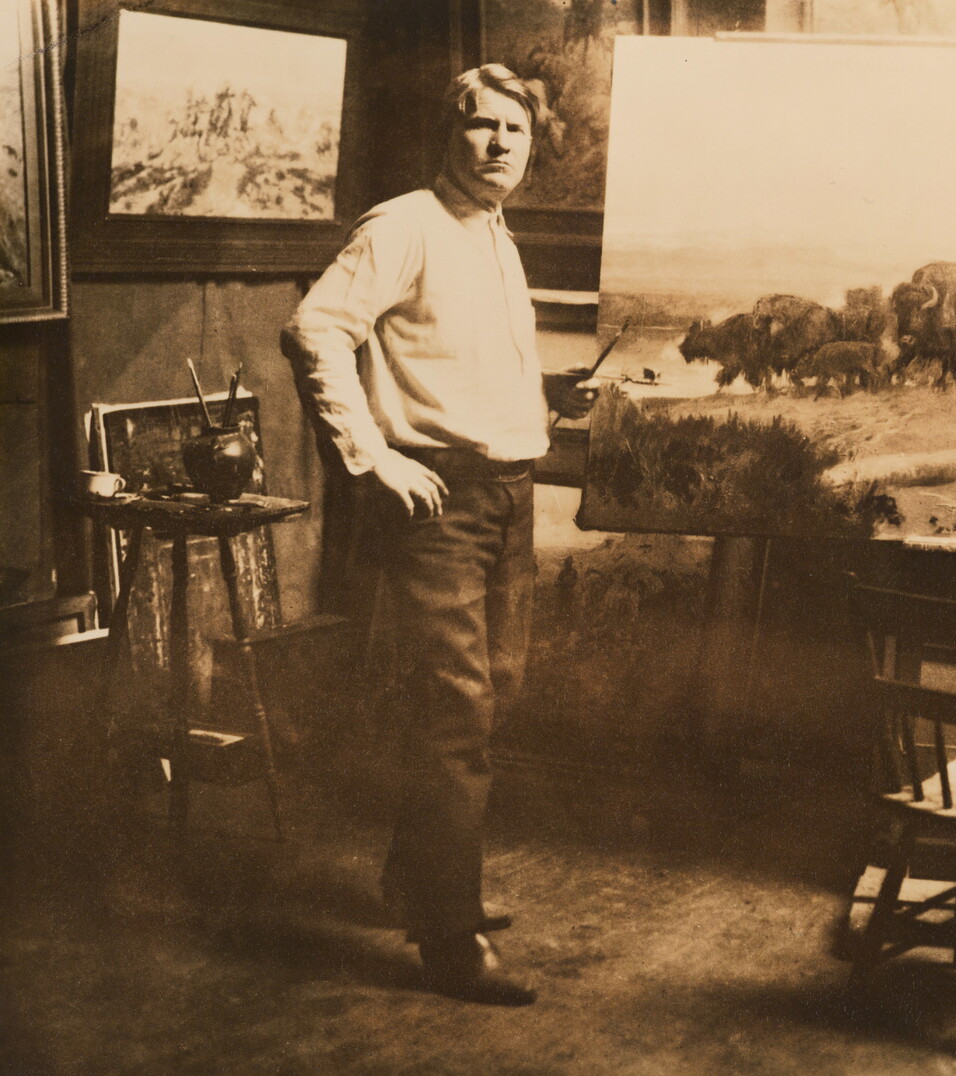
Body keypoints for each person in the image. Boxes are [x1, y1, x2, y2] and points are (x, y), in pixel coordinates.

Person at [281, 64, 599, 1006]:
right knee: (455, 713)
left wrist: (544, 400)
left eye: (517, 132)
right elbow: (314, 330)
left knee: (491, 692)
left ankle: (420, 881)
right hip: (440, 506)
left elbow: (449, 365)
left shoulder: (496, 238)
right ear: (446, 136)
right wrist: (371, 455)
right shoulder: (404, 224)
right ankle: (450, 944)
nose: (501, 144)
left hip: (507, 494)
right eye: (481, 127)